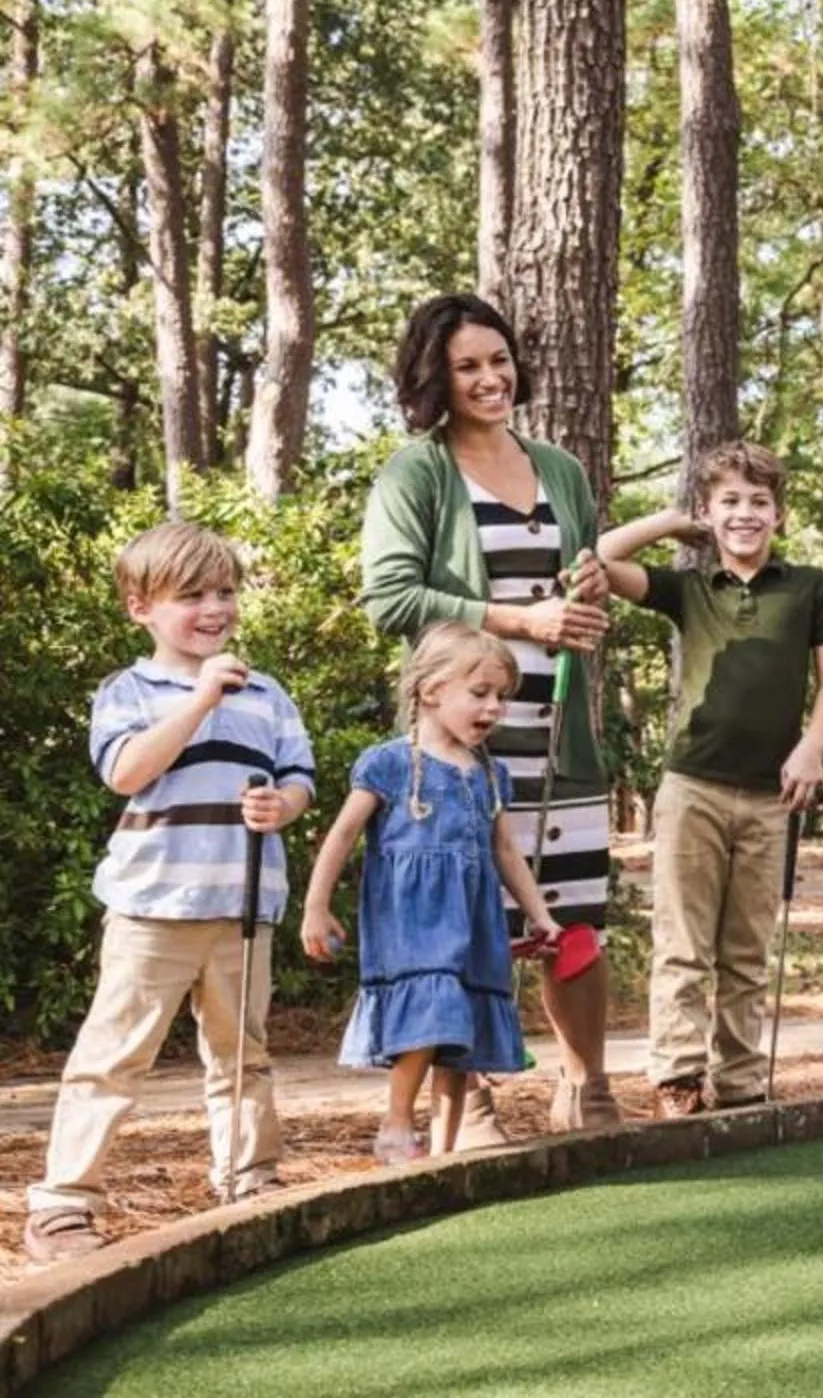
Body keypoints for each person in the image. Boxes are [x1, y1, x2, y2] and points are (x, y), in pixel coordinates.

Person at [20, 523, 317, 1264]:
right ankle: (63, 1203)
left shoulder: (268, 695)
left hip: (243, 907)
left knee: (241, 1055)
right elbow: (127, 773)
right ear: (139, 607)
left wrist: (284, 804)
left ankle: (249, 1181)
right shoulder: (129, 691)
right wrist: (199, 701)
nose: (214, 609)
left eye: (225, 592)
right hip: (153, 906)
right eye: (191, 596)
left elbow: (299, 777)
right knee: (113, 1055)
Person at [360, 293, 618, 1139]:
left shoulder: (561, 468)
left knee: (574, 914)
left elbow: (580, 578)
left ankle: (587, 1085)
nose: (489, 378)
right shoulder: (418, 471)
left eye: (498, 360)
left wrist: (583, 603)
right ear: (436, 376)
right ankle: (465, 1101)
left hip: (559, 731)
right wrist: (517, 621)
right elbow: (390, 595)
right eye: (467, 366)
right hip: (461, 746)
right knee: (466, 921)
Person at [597, 440, 823, 1115]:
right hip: (694, 786)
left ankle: (739, 1080)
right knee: (683, 941)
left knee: (745, 948)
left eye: (759, 502)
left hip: (771, 794)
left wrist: (812, 746)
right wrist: (674, 525)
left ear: (780, 514)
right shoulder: (690, 589)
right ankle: (678, 1077)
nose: (745, 514)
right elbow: (602, 558)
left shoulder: (808, 589)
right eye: (730, 502)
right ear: (710, 513)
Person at [300, 623, 562, 1162]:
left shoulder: (491, 774)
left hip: (472, 920)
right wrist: (316, 906)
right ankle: (397, 1123)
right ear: (431, 690)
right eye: (481, 693)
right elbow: (343, 835)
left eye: (501, 698)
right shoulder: (391, 764)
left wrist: (539, 915)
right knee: (432, 1009)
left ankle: (443, 1152)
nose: (493, 708)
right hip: (413, 920)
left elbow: (505, 852)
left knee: (459, 1029)